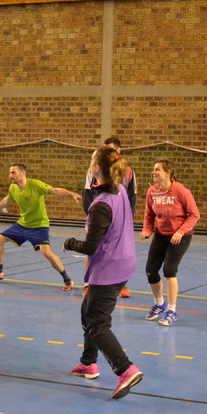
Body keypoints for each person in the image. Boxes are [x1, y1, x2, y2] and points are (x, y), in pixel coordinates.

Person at [63, 145, 144, 399]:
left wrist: (70, 243)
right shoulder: (120, 190)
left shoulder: (101, 205)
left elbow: (90, 247)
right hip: (124, 262)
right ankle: (88, 362)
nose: (89, 163)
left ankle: (125, 369)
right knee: (87, 310)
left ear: (97, 167)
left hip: (110, 269)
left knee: (97, 324)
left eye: (91, 160)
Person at [0, 164, 81, 291]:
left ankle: (67, 279)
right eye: (10, 173)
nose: (10, 176)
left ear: (23, 173)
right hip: (22, 224)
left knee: (46, 252)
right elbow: (7, 200)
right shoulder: (13, 187)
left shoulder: (35, 185)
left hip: (39, 226)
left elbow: (55, 191)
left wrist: (72, 194)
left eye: (13, 172)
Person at [140, 159, 200, 326]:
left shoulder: (180, 191)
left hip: (181, 235)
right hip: (161, 234)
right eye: (153, 169)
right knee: (151, 270)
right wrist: (147, 230)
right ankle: (159, 304)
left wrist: (180, 231)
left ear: (167, 173)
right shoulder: (152, 191)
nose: (154, 172)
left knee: (169, 270)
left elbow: (194, 215)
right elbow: (149, 215)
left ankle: (172, 311)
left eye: (157, 169)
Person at [82, 137, 136, 298]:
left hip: (116, 217)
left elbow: (131, 196)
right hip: (99, 216)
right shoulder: (93, 174)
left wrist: (127, 218)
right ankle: (88, 284)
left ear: (118, 151)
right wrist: (93, 216)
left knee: (117, 249)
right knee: (93, 248)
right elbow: (87, 193)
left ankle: (120, 283)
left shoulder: (127, 174)